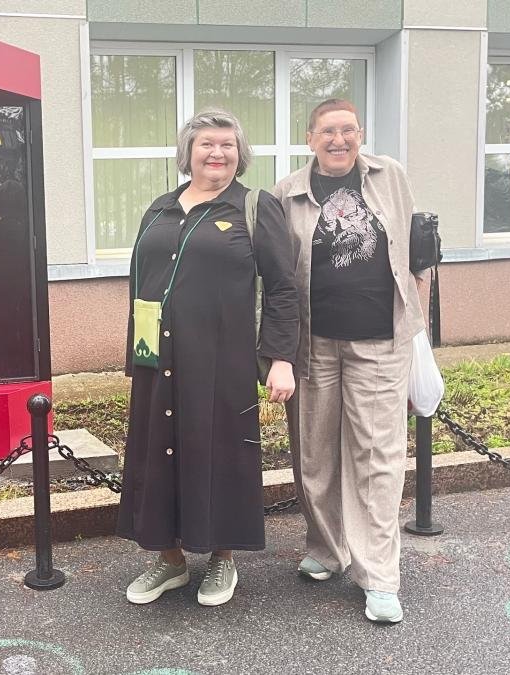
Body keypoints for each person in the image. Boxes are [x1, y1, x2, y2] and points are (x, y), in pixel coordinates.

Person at [118, 109, 298, 607]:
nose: (216, 153)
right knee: (158, 452)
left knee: (221, 451)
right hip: (158, 357)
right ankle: (170, 559)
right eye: (206, 144)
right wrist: (137, 353)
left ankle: (223, 557)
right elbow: (141, 285)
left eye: (227, 145)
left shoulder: (253, 208)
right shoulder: (159, 208)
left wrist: (280, 358)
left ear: (240, 155)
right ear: (188, 152)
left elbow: (283, 288)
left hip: (223, 360)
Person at [272, 98, 428, 624]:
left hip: (380, 343)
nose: (339, 140)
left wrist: (418, 327)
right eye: (328, 132)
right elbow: (277, 278)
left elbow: (417, 253)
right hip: (313, 345)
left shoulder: (390, 177)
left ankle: (379, 576)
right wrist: (277, 350)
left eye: (348, 130)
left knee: (377, 458)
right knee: (314, 455)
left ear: (360, 134)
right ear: (310, 138)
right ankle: (327, 546)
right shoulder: (288, 193)